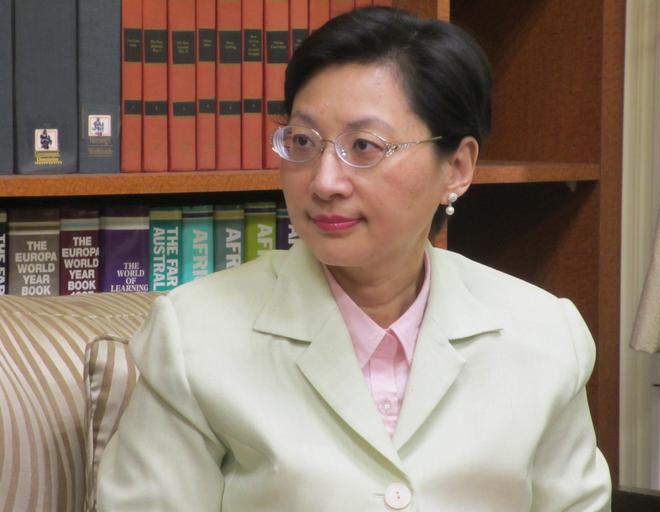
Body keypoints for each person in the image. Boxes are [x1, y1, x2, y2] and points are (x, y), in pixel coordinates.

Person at [97, 7, 611, 511]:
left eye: (364, 146)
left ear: (456, 167)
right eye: (303, 142)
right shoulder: (195, 336)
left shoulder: (545, 335)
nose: (324, 182)